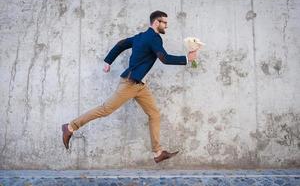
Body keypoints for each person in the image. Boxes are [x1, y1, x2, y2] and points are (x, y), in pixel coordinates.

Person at [62, 10, 198, 163]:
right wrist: (187, 58)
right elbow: (164, 58)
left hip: (140, 85)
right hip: (130, 84)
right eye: (164, 22)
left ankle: (158, 153)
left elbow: (122, 44)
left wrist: (108, 61)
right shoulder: (154, 38)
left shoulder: (140, 36)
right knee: (106, 109)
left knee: (154, 114)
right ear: (156, 22)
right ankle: (70, 127)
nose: (166, 25)